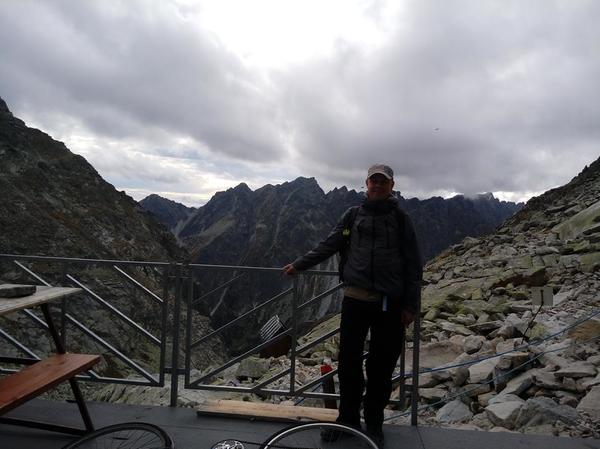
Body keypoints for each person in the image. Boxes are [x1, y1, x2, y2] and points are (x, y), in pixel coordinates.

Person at [283, 164, 422, 446]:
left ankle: (374, 423)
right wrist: (299, 265)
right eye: (374, 181)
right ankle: (347, 421)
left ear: (392, 185)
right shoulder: (352, 215)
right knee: (348, 363)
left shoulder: (401, 219)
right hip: (355, 301)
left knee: (381, 366)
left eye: (383, 181)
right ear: (366, 183)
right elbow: (330, 244)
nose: (378, 185)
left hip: (390, 304)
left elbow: (413, 263)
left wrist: (411, 306)